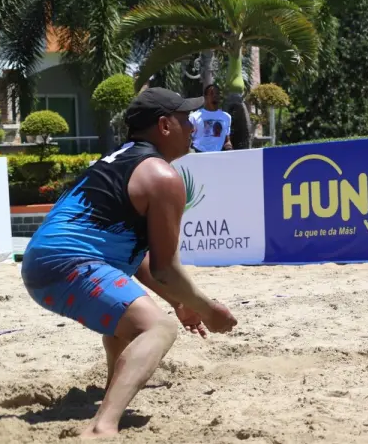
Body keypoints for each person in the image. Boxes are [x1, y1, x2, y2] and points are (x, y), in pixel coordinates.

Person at [20, 88, 238, 438]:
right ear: (165, 126)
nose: (193, 126)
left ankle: (113, 387)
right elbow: (167, 269)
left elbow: (134, 258)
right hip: (69, 263)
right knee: (159, 329)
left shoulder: (117, 160)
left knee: (128, 321)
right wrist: (208, 309)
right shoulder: (162, 176)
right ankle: (103, 426)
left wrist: (179, 302)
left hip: (42, 261)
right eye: (186, 119)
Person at [189, 84, 232, 153]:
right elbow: (188, 138)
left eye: (217, 94)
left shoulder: (226, 117)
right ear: (205, 97)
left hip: (218, 155)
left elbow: (227, 141)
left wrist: (229, 148)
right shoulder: (194, 116)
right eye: (212, 93)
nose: (215, 96)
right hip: (198, 153)